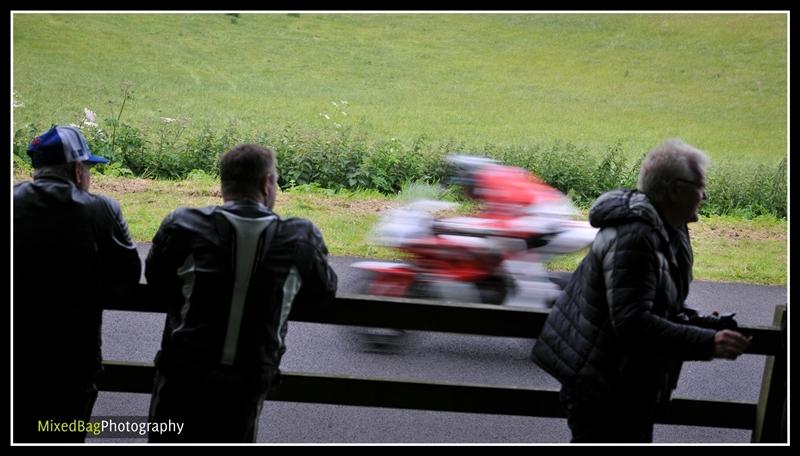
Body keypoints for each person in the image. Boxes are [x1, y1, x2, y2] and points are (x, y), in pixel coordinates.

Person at [530, 139, 751, 443]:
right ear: (674, 190)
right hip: (605, 391)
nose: (704, 195)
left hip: (622, 385)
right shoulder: (635, 238)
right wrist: (707, 342)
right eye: (699, 186)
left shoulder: (666, 229)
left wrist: (699, 322)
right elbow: (632, 322)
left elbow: (652, 304)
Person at [145, 143, 338, 443]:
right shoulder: (300, 236)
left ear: (224, 184)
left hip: (182, 376)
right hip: (249, 381)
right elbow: (323, 292)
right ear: (266, 184)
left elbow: (157, 280)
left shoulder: (182, 225)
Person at [13, 125, 142, 442]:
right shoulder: (101, 209)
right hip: (72, 361)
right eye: (88, 168)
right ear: (75, 168)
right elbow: (127, 279)